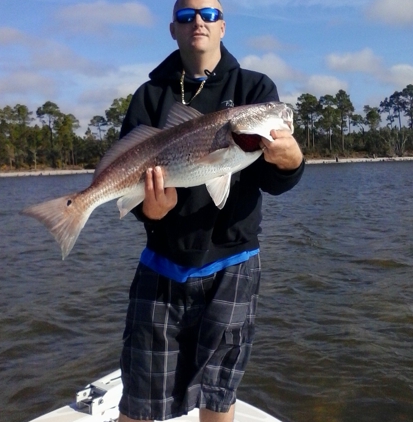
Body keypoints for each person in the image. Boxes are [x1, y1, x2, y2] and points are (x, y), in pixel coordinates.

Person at [118, 1, 304, 421]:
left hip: (233, 263)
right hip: (163, 263)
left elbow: (272, 181)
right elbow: (132, 186)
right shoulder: (149, 96)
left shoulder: (255, 90)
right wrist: (151, 212)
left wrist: (292, 163)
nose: (198, 21)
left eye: (208, 14)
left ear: (223, 26)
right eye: (186, 16)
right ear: (173, 30)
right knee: (140, 398)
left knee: (217, 393)